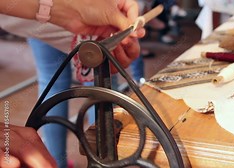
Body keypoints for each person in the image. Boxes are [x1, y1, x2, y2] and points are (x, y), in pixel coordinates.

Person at [0, 0, 144, 167]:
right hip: (79, 16)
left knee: (53, 80)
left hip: (69, 16)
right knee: (96, 87)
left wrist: (55, 9)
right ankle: (100, 159)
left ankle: (59, 160)